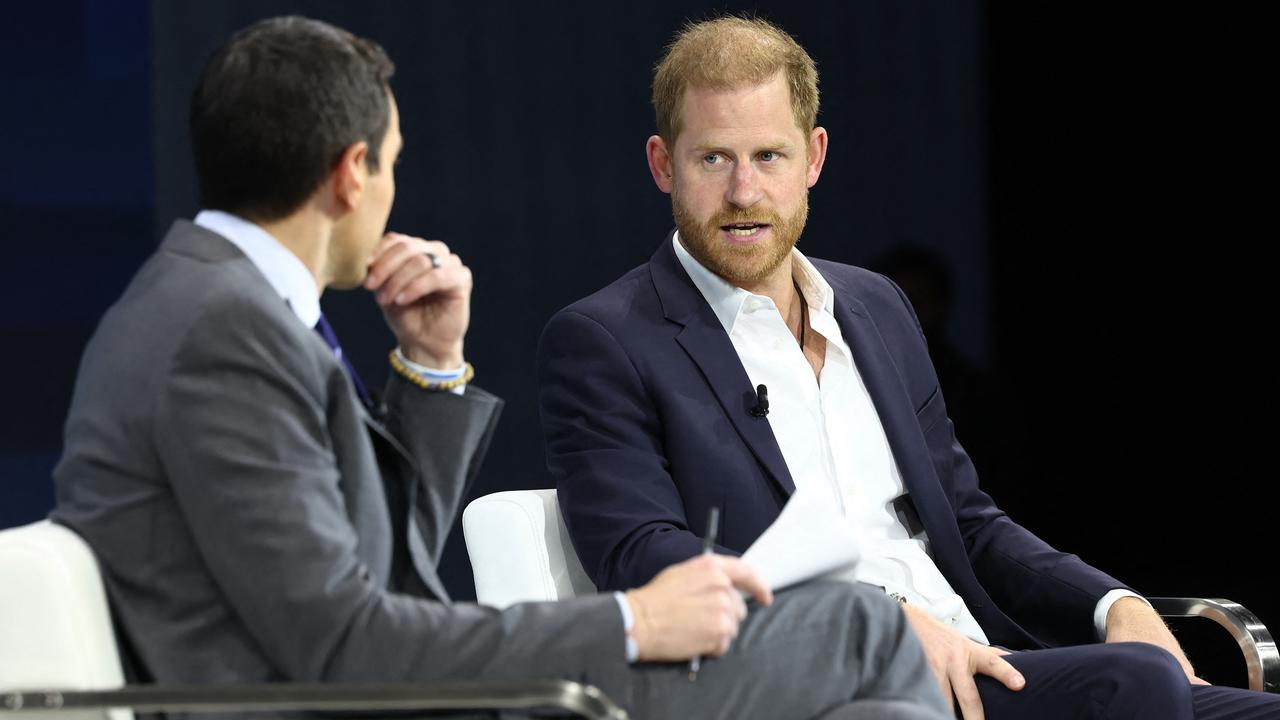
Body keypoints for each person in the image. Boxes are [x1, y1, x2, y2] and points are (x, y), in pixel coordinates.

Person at [49, 15, 950, 720]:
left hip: (376, 684)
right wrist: (634, 620)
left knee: (865, 688)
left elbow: (371, 566)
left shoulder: (215, 303)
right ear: (352, 173)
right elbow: (344, 644)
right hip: (356, 699)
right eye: (395, 161)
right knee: (860, 628)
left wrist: (431, 366)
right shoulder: (221, 334)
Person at [537, 16, 1280, 720]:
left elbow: (967, 523)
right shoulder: (606, 340)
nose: (744, 193)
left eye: (768, 156)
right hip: (838, 689)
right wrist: (873, 621)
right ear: (664, 165)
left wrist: (1114, 604)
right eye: (713, 159)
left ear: (814, 158)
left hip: (984, 666)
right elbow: (646, 560)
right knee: (1136, 684)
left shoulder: (875, 306)